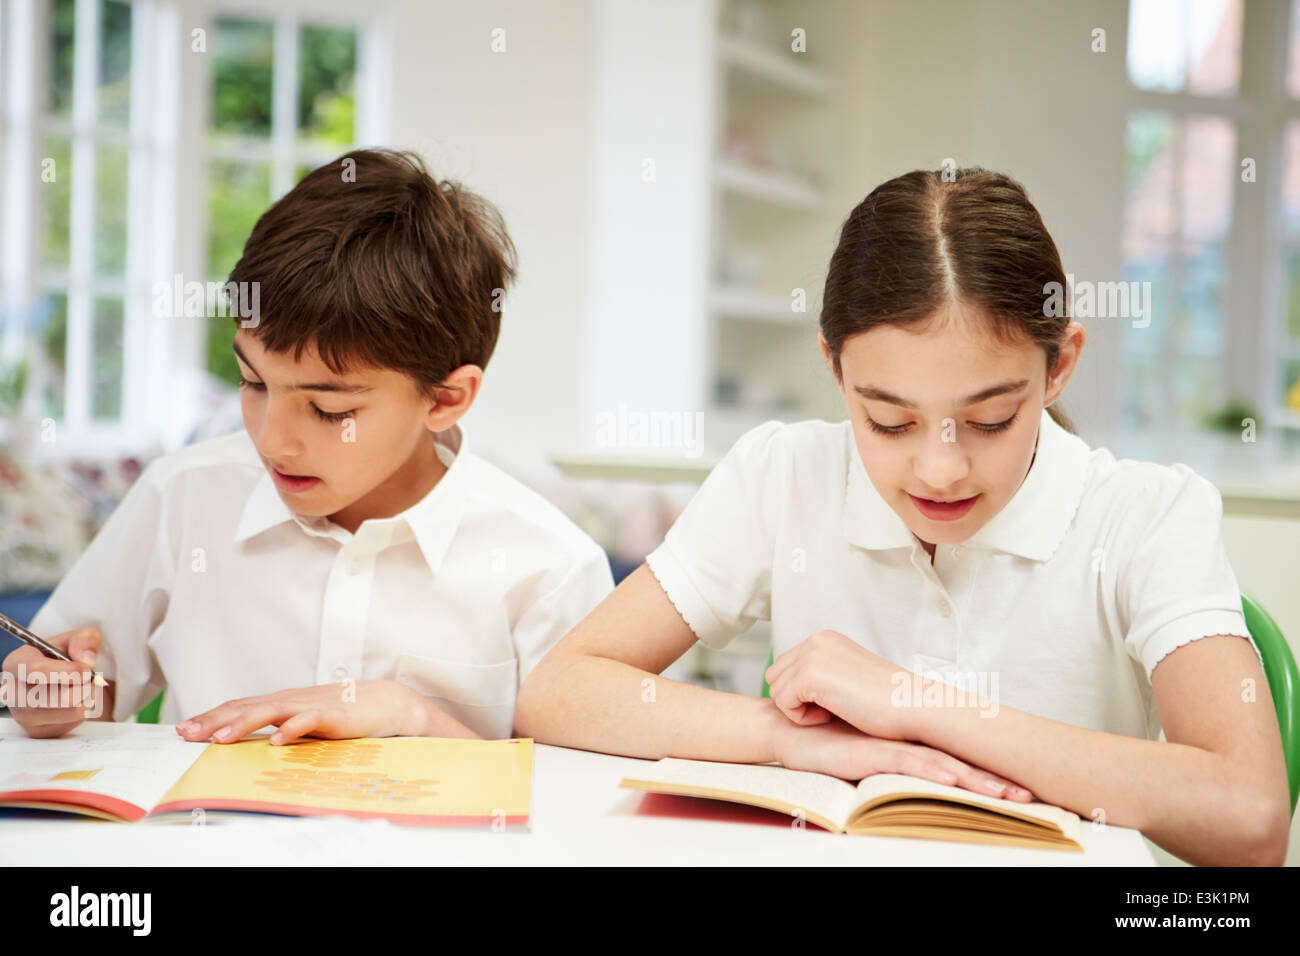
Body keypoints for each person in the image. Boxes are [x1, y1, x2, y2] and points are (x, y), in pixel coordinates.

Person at [516, 167, 1290, 866]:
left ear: (1059, 365)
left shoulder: (1147, 515)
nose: (940, 468)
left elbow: (1249, 816)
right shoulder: (783, 475)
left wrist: (912, 706)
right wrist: (792, 740)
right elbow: (559, 691)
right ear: (834, 368)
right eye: (887, 421)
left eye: (989, 420)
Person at [6, 148, 613, 746]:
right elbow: (79, 687)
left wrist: (414, 716)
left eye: (329, 410)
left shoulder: (550, 569)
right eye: (252, 383)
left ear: (445, 399)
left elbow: (577, 807)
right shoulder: (185, 495)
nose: (272, 441)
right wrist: (48, 696)